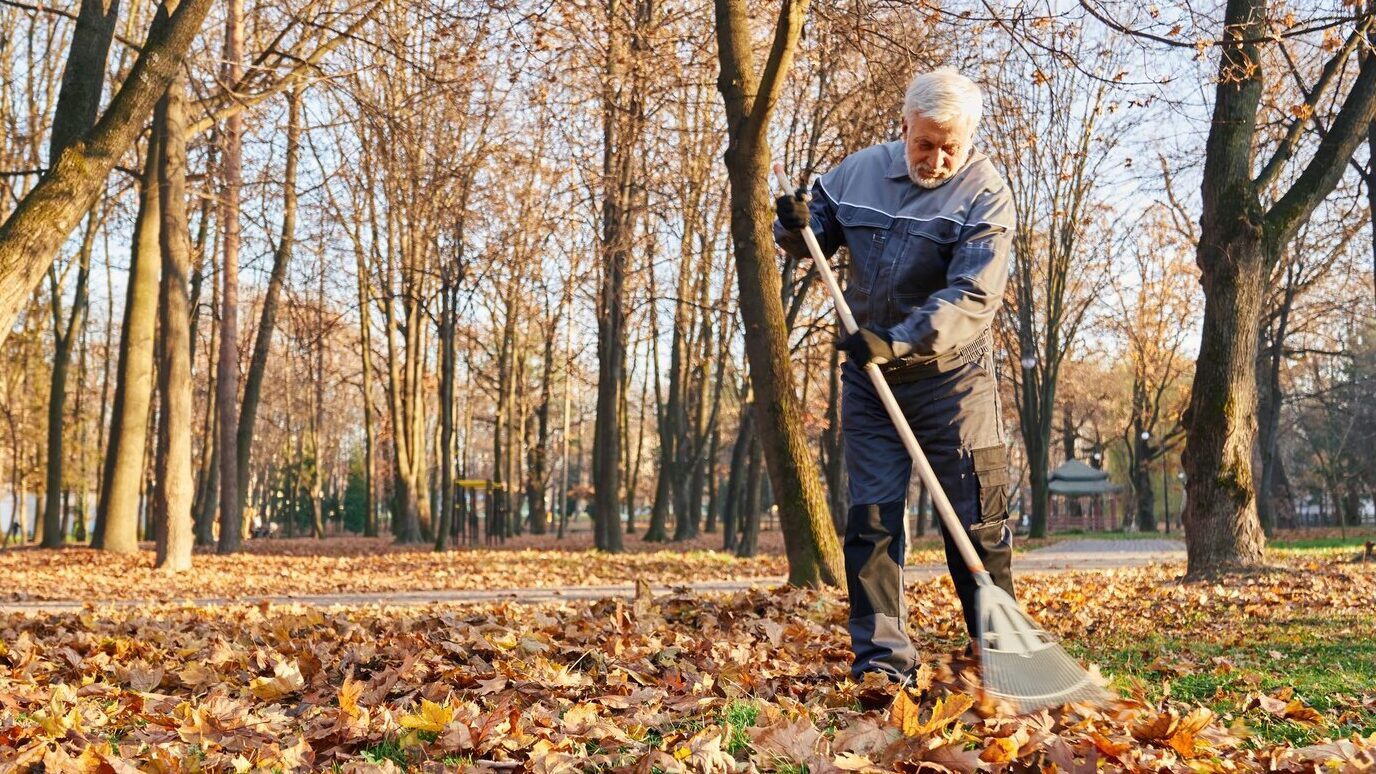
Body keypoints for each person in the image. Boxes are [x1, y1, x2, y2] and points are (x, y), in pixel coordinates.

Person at [773, 67, 1017, 692]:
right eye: (924, 143)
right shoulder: (857, 173)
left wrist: (900, 339)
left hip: (953, 382)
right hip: (870, 384)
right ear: (904, 125)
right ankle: (882, 663)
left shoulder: (985, 195)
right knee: (873, 521)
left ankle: (1002, 655)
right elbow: (812, 234)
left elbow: (973, 295)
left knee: (975, 521)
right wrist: (794, 224)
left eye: (950, 147)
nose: (936, 160)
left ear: (969, 139)